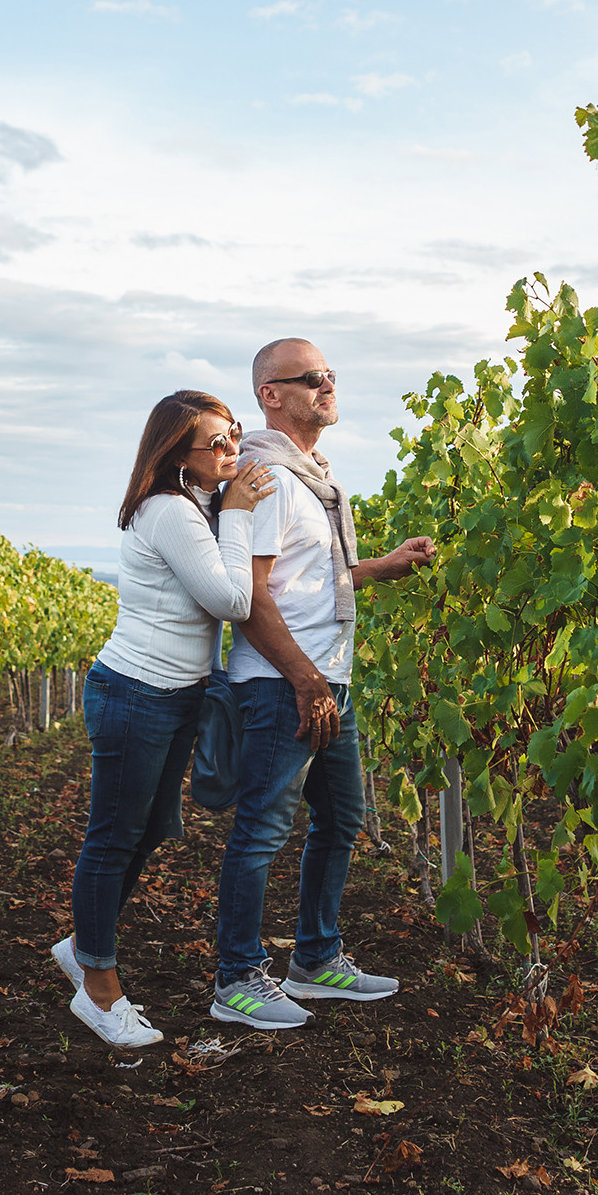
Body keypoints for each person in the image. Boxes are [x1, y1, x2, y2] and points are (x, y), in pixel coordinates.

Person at [208, 339, 434, 1031]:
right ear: (270, 394)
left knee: (342, 819)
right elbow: (249, 596)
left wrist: (378, 568)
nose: (326, 384)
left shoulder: (312, 478)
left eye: (330, 374)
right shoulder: (266, 479)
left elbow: (303, 581)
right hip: (283, 684)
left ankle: (315, 959)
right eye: (310, 378)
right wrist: (306, 680)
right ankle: (236, 978)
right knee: (262, 830)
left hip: (326, 677)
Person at [52, 390, 274, 1048]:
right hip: (136, 692)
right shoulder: (172, 510)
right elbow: (232, 600)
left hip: (176, 695)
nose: (231, 449)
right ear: (178, 454)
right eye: (216, 442)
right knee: (114, 837)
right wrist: (239, 513)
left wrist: (229, 507)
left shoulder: (199, 503)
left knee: (148, 830)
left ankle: (81, 945)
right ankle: (98, 990)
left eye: (234, 433)